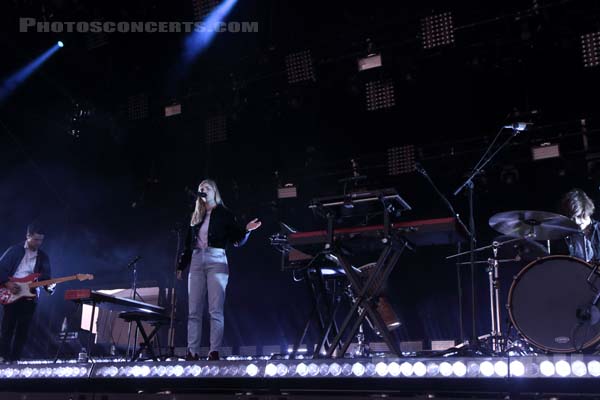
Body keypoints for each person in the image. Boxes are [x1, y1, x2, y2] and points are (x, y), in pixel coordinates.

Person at [177, 179, 261, 361]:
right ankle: (192, 351)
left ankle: (214, 351)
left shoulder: (224, 214)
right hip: (197, 260)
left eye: (206, 188)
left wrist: (247, 230)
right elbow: (187, 245)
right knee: (194, 310)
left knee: (215, 309)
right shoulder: (195, 217)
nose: (203, 190)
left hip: (217, 259)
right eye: (200, 188)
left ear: (214, 191)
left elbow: (236, 240)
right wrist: (181, 265)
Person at [0, 223, 54, 362]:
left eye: (41, 240)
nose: (38, 243)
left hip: (30, 296)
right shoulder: (14, 251)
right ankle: (2, 357)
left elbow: (46, 278)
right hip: (12, 292)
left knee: (23, 330)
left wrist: (50, 287)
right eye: (35, 239)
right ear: (27, 236)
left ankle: (15, 359)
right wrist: (8, 283)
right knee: (7, 327)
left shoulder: (43, 257)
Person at [560, 188, 600, 262]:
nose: (576, 221)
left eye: (579, 216)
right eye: (572, 218)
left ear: (587, 211)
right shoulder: (562, 235)